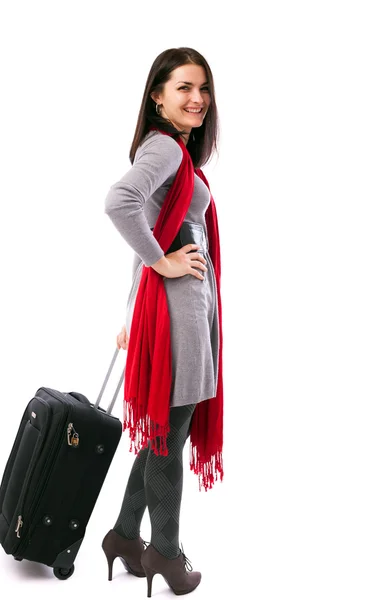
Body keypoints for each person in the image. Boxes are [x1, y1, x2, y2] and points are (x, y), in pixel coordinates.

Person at [101, 47, 224, 597]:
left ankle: (126, 537)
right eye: (183, 88)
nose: (197, 98)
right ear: (157, 96)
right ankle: (167, 555)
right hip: (176, 318)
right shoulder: (165, 150)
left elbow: (146, 223)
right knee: (168, 441)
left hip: (175, 314)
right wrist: (164, 261)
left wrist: (133, 304)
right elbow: (120, 202)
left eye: (203, 88)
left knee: (161, 436)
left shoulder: (176, 152)